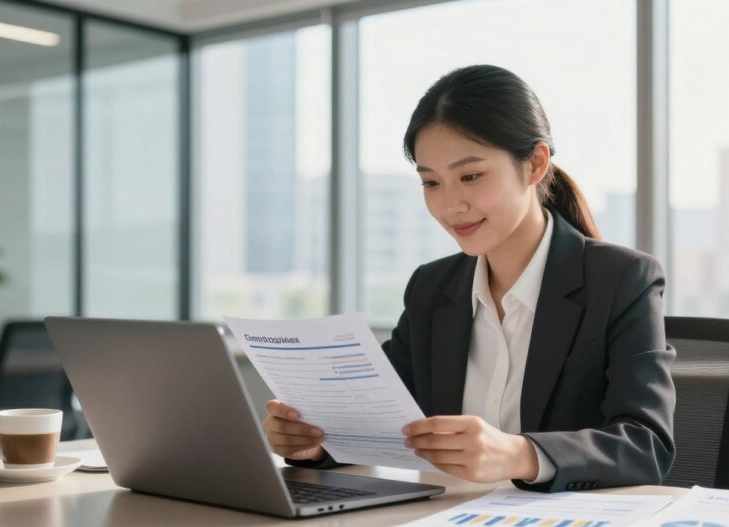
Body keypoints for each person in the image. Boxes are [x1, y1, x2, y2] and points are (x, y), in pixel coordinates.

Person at [262, 64, 675, 492]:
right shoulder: (431, 289)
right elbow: (378, 419)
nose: (450, 205)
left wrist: (519, 454)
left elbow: (646, 445)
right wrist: (312, 442)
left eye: (471, 176)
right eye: (431, 182)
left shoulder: (621, 280)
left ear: (534, 164)